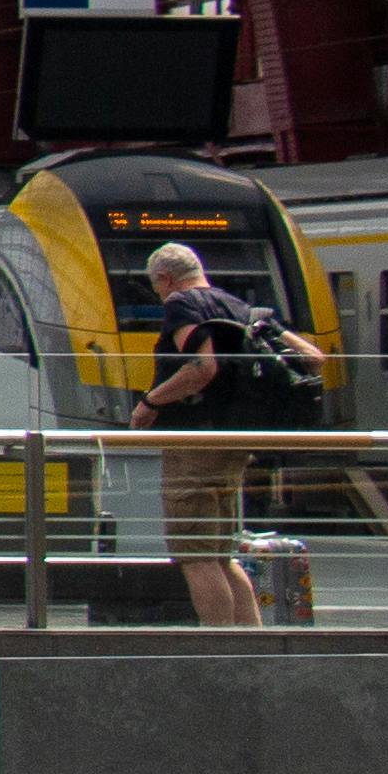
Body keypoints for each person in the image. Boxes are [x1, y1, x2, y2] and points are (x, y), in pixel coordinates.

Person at [126, 241, 263, 629]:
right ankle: (252, 648)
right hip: (233, 441)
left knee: (196, 556)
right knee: (222, 555)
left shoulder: (181, 305)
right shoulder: (236, 305)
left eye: (157, 287)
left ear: (165, 279)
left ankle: (217, 648)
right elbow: (310, 355)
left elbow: (202, 367)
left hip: (194, 443)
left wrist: (150, 402)